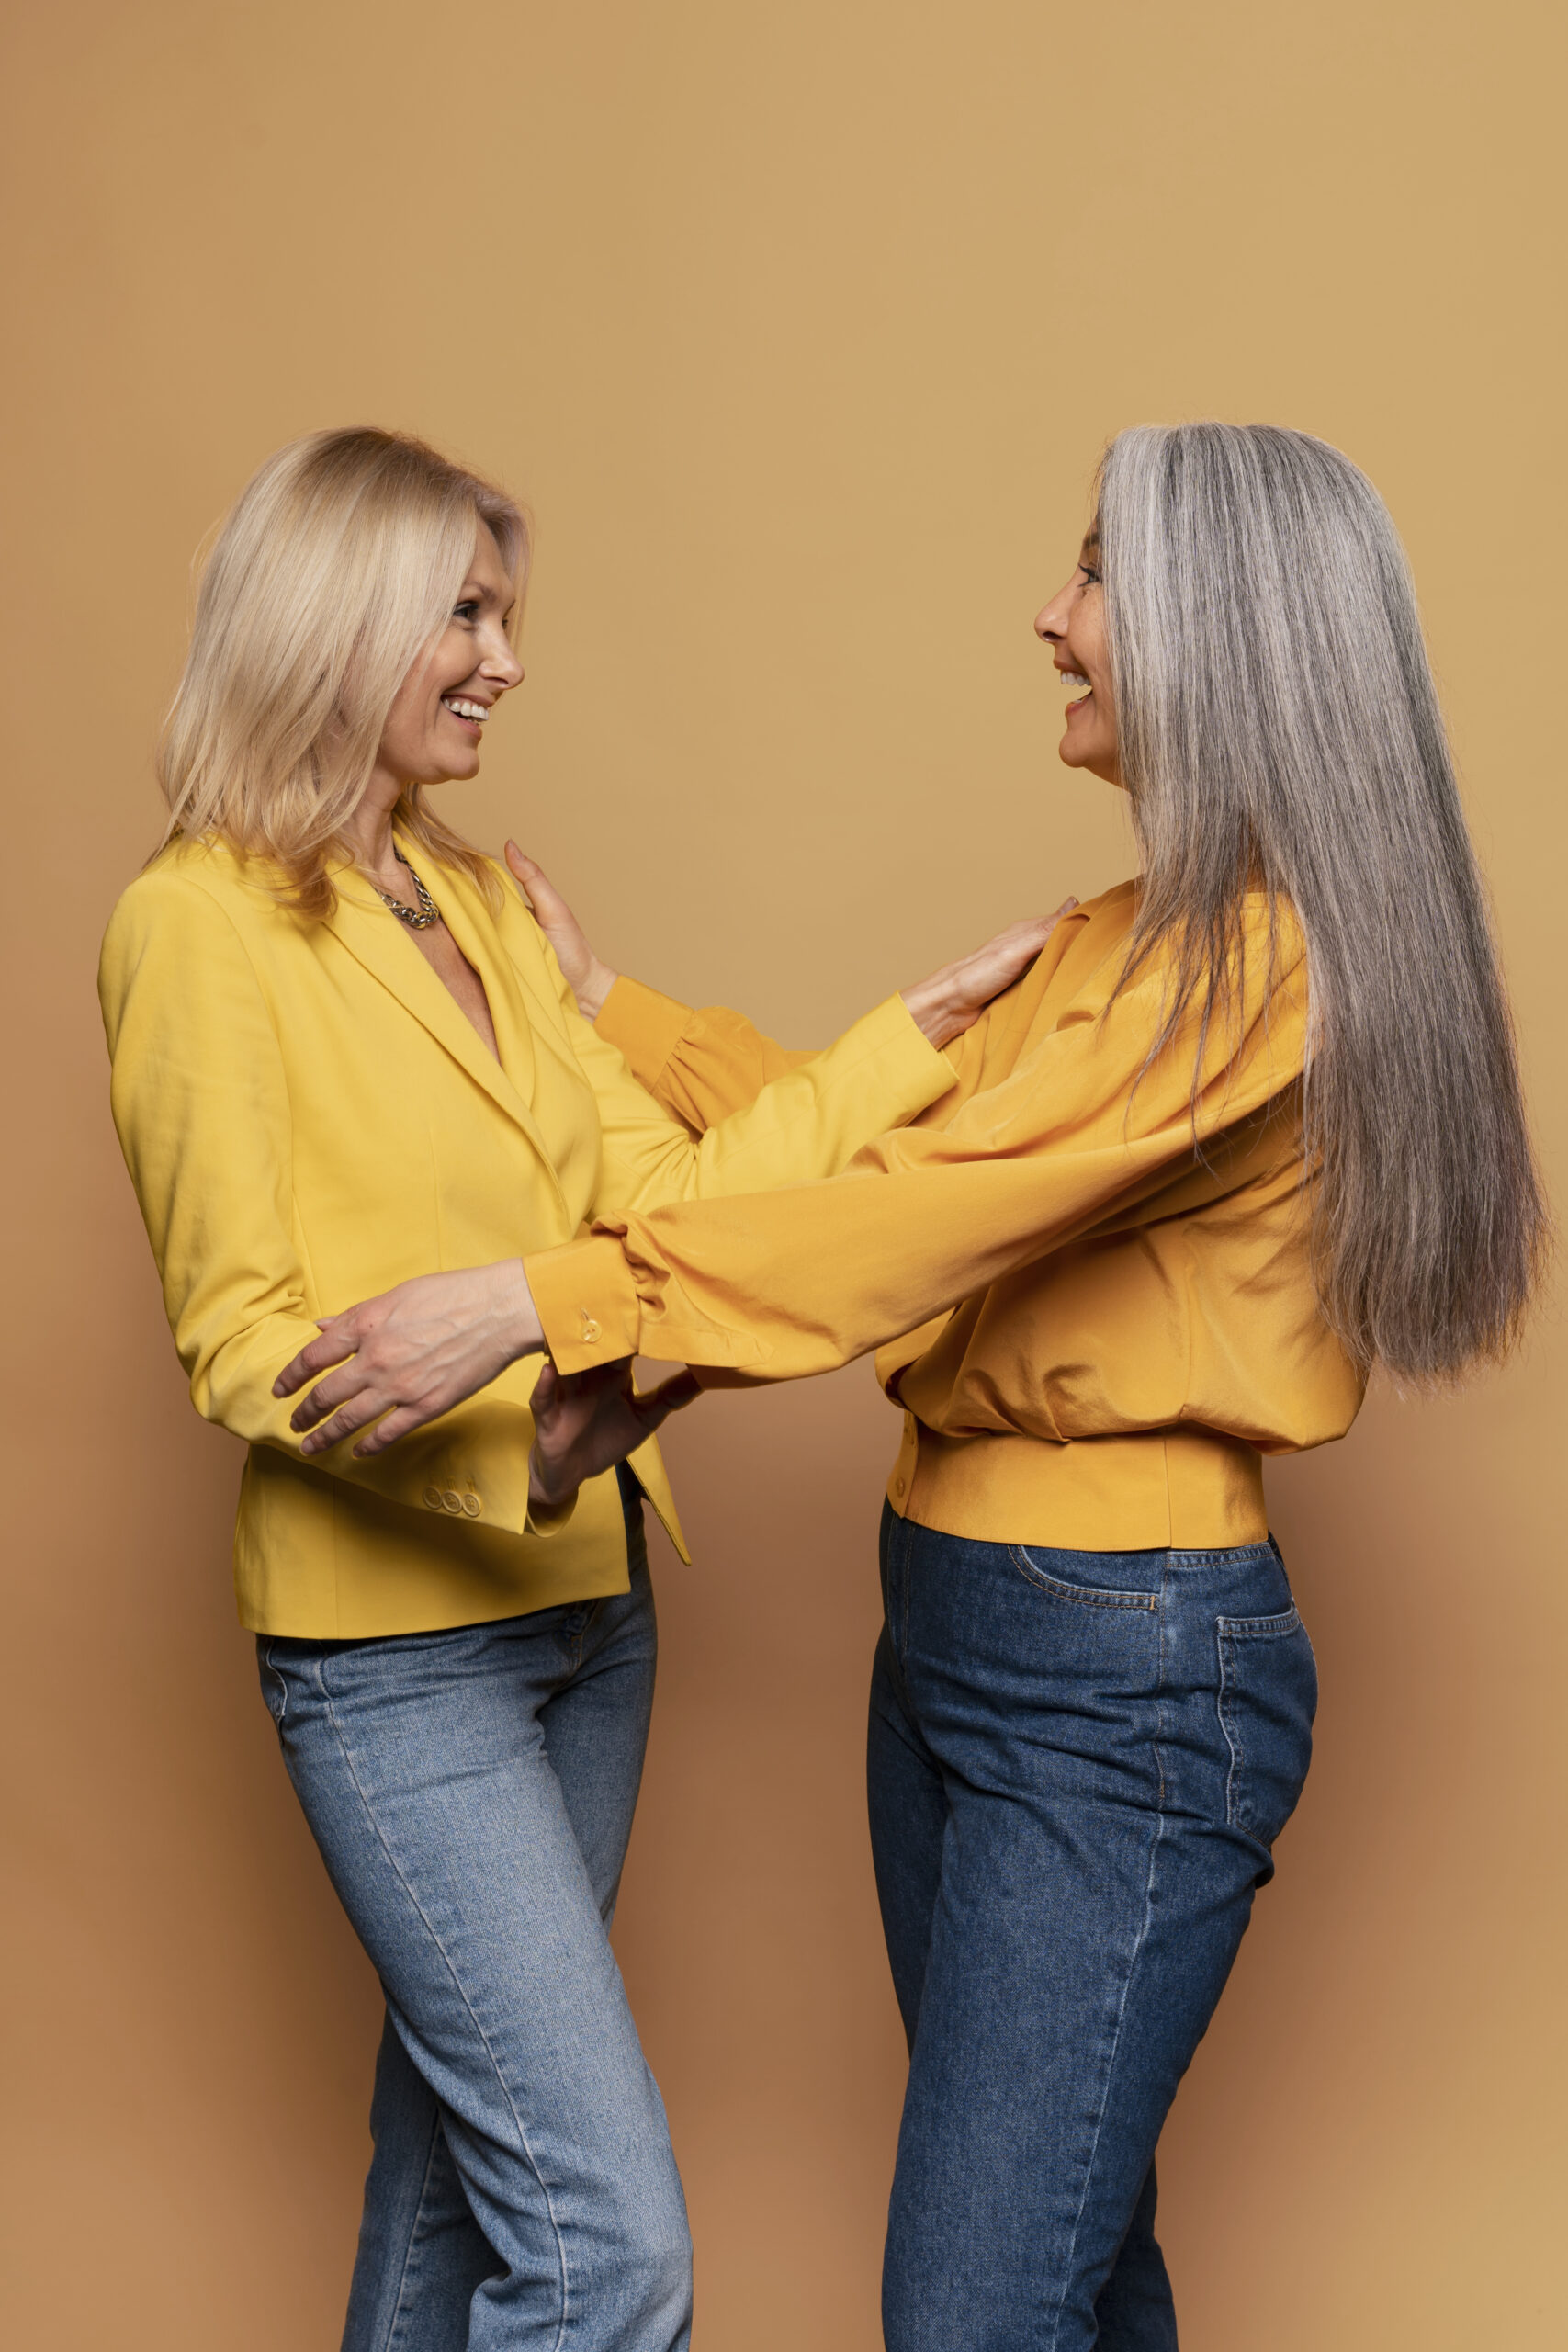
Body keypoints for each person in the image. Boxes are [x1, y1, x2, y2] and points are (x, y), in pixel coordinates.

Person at [277, 422, 1548, 2352]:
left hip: (1117, 1671)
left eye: (1095, 580)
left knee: (978, 2309)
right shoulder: (1123, 938)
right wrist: (627, 1018)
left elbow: (915, 1223)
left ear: (1217, 631)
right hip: (961, 1625)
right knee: (1065, 2262)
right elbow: (887, 1149)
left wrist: (540, 1301)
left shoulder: (1256, 973)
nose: (1051, 617)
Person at [97, 424, 1066, 2352]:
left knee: (454, 2185)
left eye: (502, 611)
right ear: (337, 618)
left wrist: (906, 1040)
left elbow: (665, 1201)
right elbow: (236, 1331)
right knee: (600, 2249)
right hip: (396, 1660)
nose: (504, 657)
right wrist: (525, 1447)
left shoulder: (466, 898)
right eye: (462, 609)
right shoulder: (193, 923)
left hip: (586, 1621)